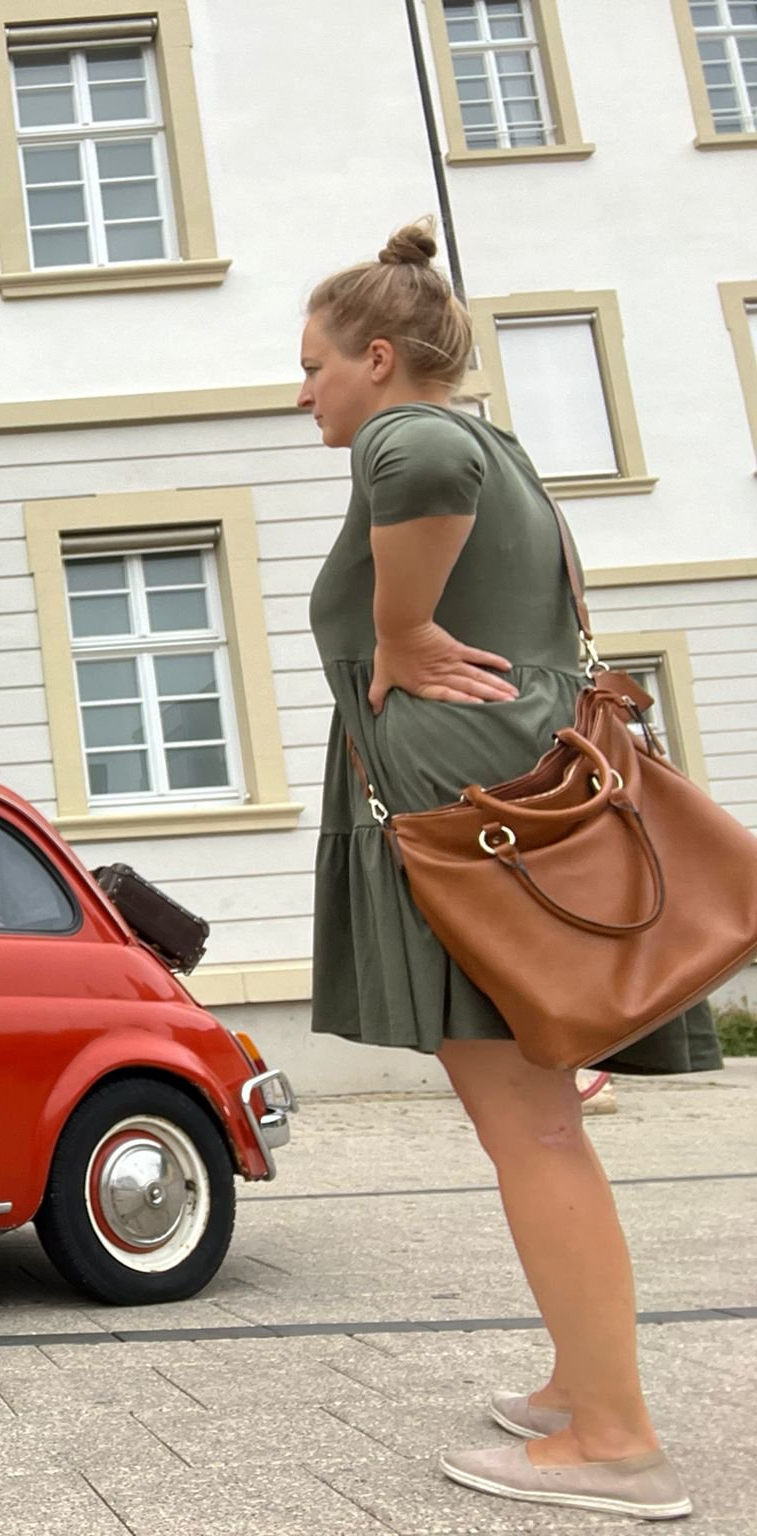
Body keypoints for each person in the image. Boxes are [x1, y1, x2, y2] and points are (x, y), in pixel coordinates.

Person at [298, 224, 719, 1521]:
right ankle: (579, 1380)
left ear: (378, 359)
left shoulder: (411, 437)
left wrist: (402, 626)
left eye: (313, 364)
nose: (302, 389)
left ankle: (613, 1438)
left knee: (531, 1126)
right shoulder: (508, 454)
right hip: (504, 806)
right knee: (533, 1122)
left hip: (466, 818)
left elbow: (415, 458)